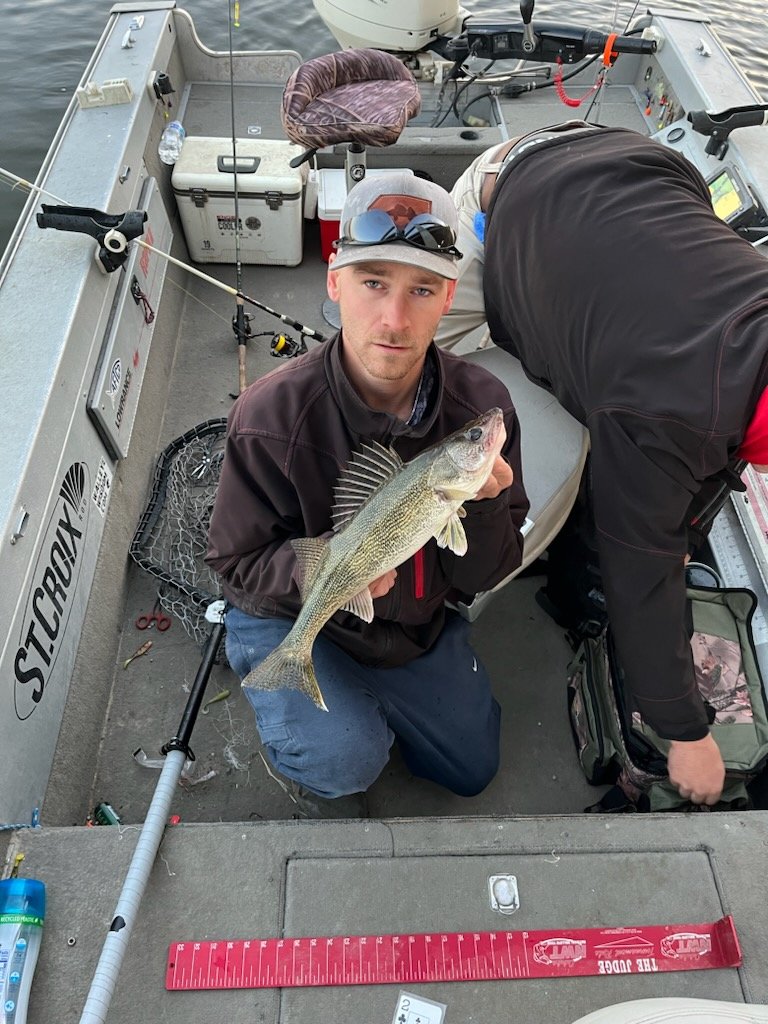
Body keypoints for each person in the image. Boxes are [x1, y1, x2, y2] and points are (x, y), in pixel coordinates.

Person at [439, 121, 768, 807]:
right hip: (507, 196)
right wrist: (686, 736)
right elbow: (637, 567)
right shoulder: (670, 414)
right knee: (393, 370)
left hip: (643, 163)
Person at [205, 171, 530, 818]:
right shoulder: (269, 416)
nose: (394, 317)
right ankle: (272, 661)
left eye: (422, 290)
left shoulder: (483, 408)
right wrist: (330, 571)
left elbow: (481, 576)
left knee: (472, 767)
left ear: (449, 297)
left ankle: (370, 698)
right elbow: (234, 565)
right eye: (373, 282)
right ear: (334, 281)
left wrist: (489, 504)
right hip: (295, 608)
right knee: (345, 762)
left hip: (414, 628)